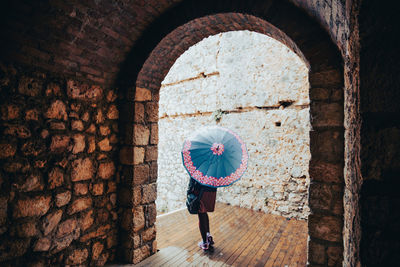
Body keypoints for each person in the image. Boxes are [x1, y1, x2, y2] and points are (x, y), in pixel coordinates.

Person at [187, 177, 217, 251]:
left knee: (201, 215)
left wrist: (189, 191)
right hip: (211, 191)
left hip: (200, 191)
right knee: (204, 213)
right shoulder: (215, 168)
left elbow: (193, 181)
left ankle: (205, 242)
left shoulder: (200, 167)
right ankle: (208, 236)